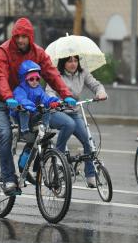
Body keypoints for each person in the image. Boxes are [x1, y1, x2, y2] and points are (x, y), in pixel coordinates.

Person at [0, 17, 75, 196]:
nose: (21, 40)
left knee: (40, 131)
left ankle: (26, 163)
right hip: (0, 98)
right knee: (6, 133)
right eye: (18, 36)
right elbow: (0, 77)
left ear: (30, 37)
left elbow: (51, 74)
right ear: (13, 36)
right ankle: (8, 179)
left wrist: (66, 95)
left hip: (24, 100)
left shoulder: (38, 52)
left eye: (25, 36)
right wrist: (8, 97)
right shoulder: (2, 51)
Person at [46, 55, 107, 188]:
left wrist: (100, 92)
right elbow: (49, 92)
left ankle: (90, 175)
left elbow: (96, 85)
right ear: (63, 62)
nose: (73, 64)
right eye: (69, 61)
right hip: (57, 112)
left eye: (75, 60)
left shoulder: (83, 73)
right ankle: (59, 156)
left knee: (89, 141)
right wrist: (56, 101)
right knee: (69, 124)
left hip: (73, 112)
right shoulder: (56, 74)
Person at [11, 60, 60, 142]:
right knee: (24, 111)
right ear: (25, 79)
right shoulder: (20, 89)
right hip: (20, 118)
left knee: (46, 109)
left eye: (37, 79)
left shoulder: (39, 89)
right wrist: (30, 106)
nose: (35, 81)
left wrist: (54, 101)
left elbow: (45, 98)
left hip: (33, 114)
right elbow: (21, 99)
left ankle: (45, 129)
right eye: (31, 79)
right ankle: (24, 132)